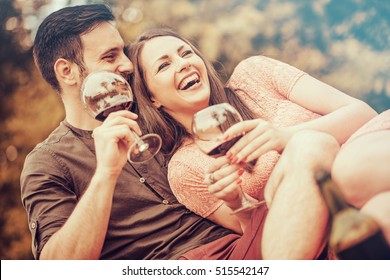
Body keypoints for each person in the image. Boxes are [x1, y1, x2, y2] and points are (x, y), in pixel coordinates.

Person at [128, 28, 378, 259]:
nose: (183, 64)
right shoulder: (185, 169)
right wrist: (236, 201)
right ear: (151, 97)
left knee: (318, 150)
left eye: (186, 53)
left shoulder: (255, 74)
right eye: (164, 65)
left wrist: (284, 137)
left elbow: (363, 113)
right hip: (322, 223)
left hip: (365, 162)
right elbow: (253, 234)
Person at [20, 4, 243, 260]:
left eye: (124, 53)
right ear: (67, 71)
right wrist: (106, 173)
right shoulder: (47, 162)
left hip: (236, 242)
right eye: (110, 56)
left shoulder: (154, 109)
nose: (127, 65)